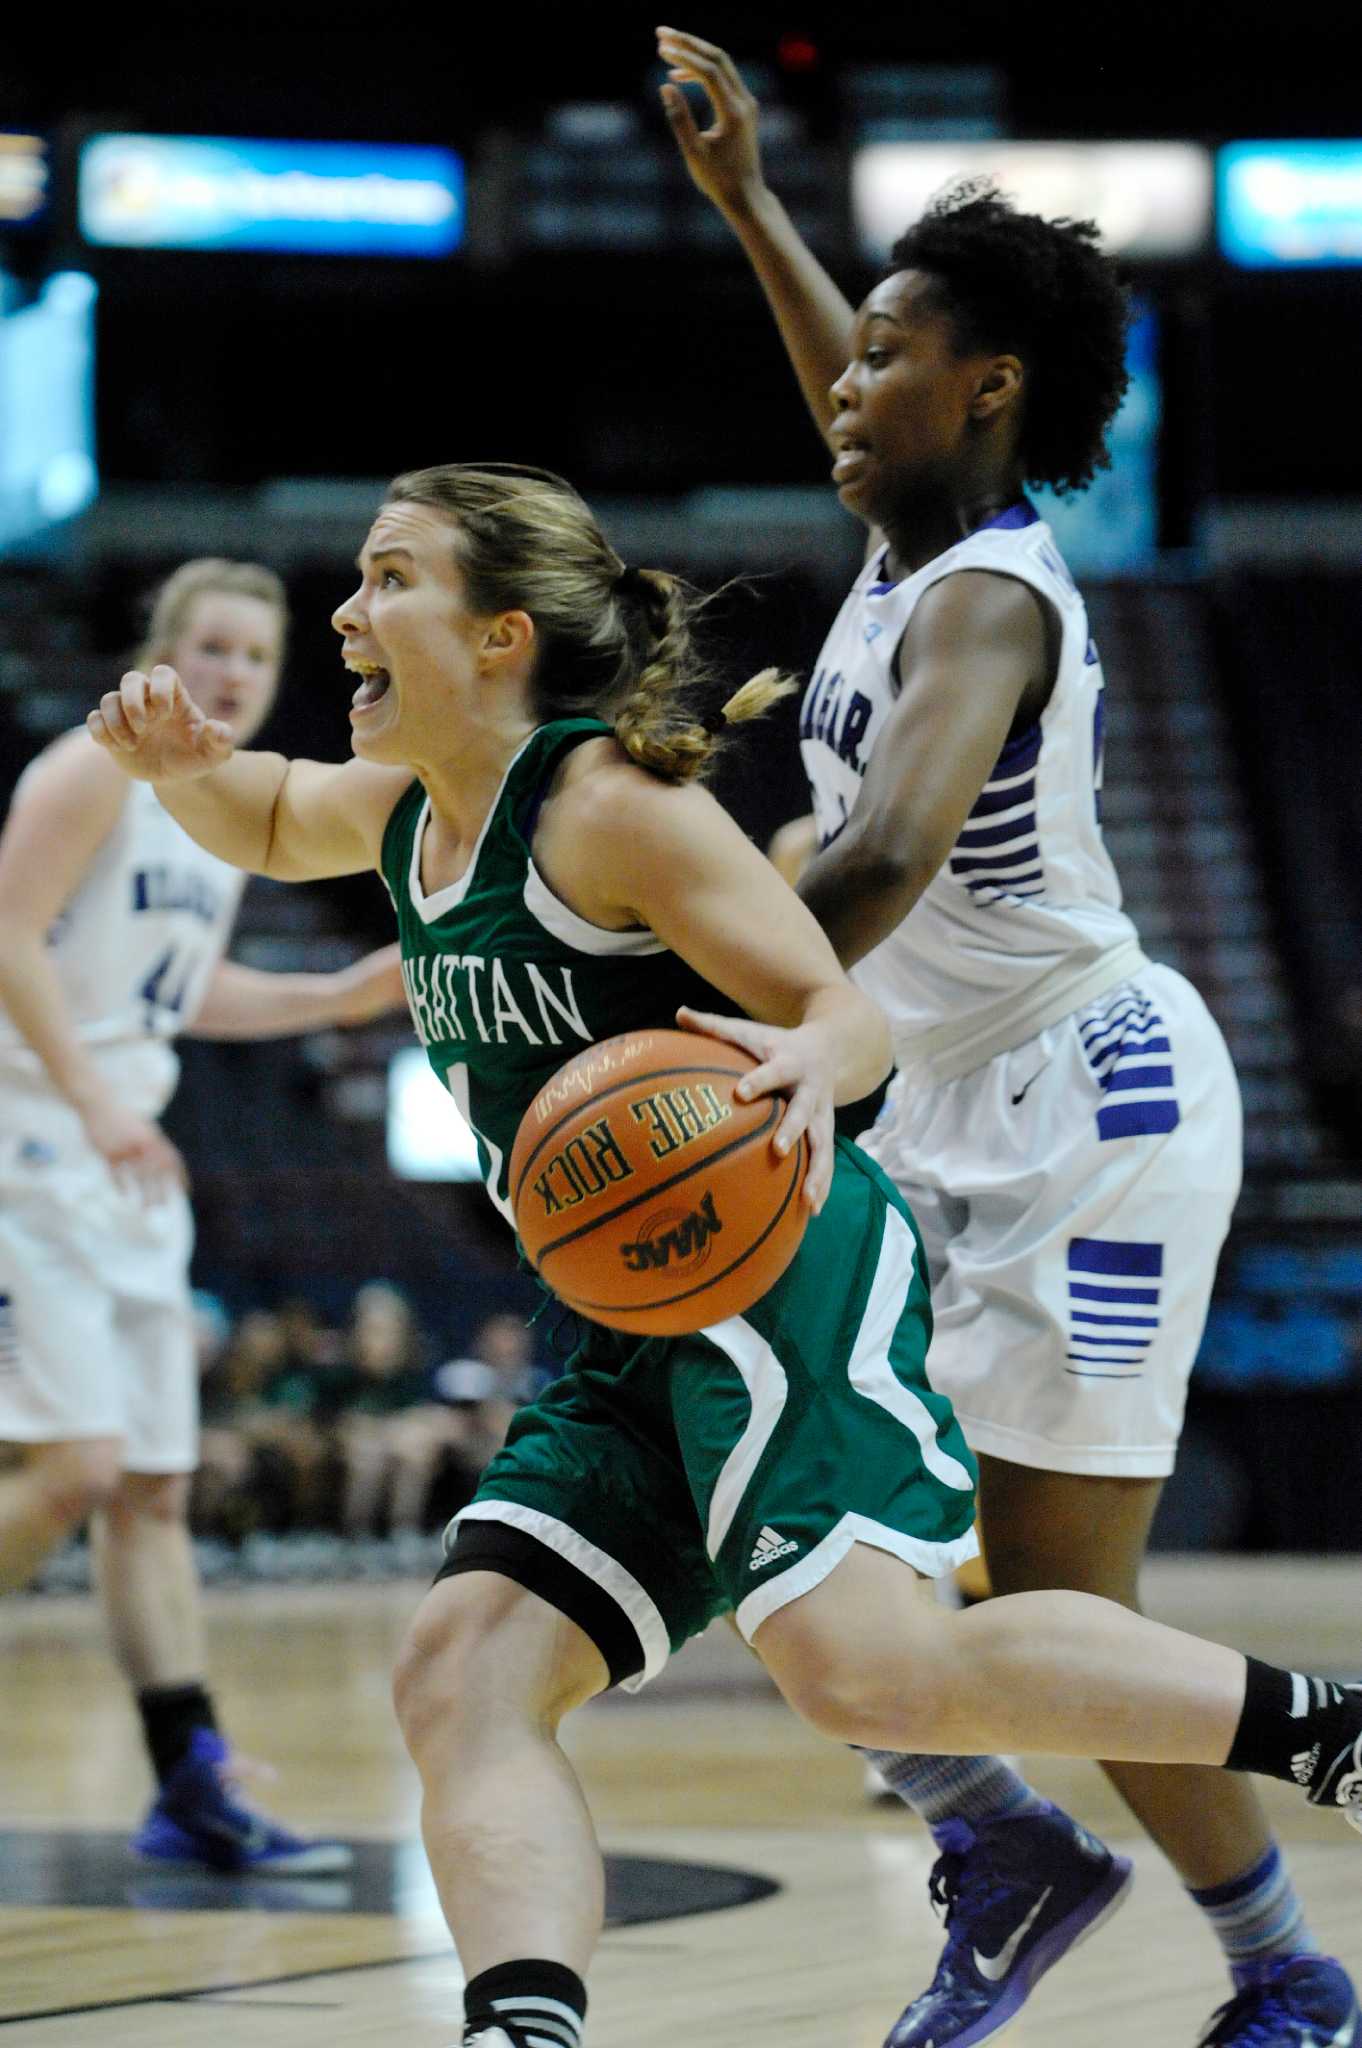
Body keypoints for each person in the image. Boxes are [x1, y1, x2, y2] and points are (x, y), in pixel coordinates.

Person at [87, 464, 1361, 2048]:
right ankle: (524, 2027)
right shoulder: (405, 811)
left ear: (497, 637)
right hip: (622, 1314)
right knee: (460, 1667)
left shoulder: (610, 808)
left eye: (386, 579)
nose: (342, 612)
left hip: (777, 1281)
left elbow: (843, 1008)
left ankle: (1328, 1735)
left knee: (867, 1675)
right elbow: (269, 819)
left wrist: (812, 1066)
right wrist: (183, 770)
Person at [656, 25, 1361, 2048]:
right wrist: (753, 207)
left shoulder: (990, 604)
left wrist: (683, 992)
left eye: (891, 359)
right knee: (807, 1509)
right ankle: (1018, 1848)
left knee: (1059, 1612)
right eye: (852, 355)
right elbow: (848, 393)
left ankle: (1284, 1977)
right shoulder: (902, 542)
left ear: (994, 393)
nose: (848, 386)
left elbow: (876, 859)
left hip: (1091, 1105)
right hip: (934, 1086)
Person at [0, 556, 407, 1874]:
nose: (232, 672)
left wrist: (336, 994)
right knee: (74, 1469)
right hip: (30, 1145)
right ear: (161, 650)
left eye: (254, 655)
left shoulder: (213, 812)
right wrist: (94, 1100)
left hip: (120, 1157)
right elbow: (6, 940)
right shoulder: (89, 769)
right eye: (211, 648)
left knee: (156, 1492)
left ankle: (191, 1780)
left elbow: (173, 992)